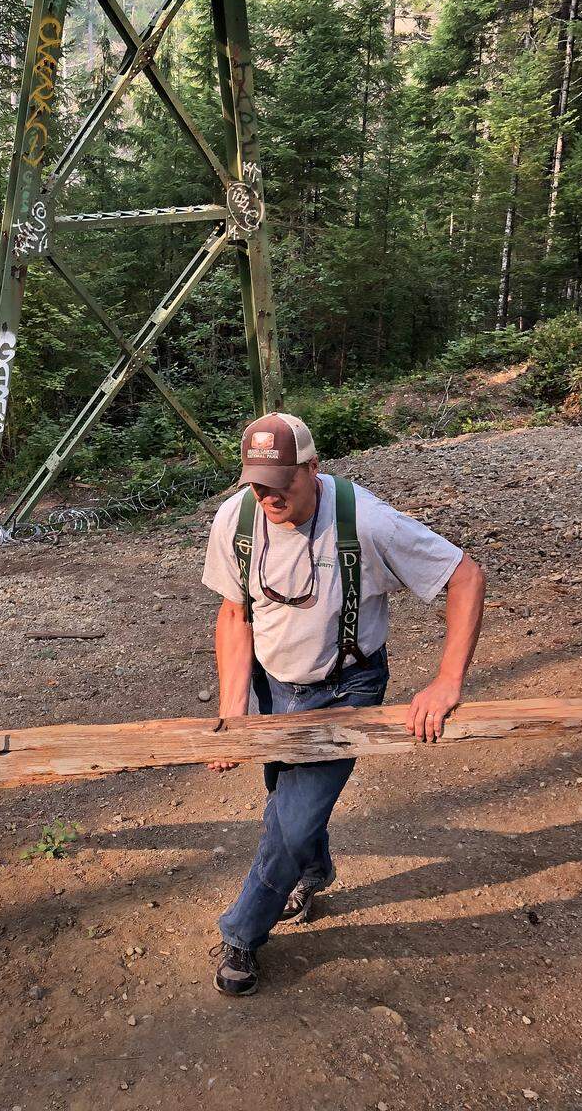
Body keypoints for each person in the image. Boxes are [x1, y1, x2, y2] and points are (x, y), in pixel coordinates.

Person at [201, 411, 485, 998]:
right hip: (273, 683)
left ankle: (242, 933)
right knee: (286, 796)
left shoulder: (367, 522)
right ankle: (313, 871)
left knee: (291, 822)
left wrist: (446, 681)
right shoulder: (236, 518)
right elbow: (234, 613)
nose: (269, 496)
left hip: (344, 688)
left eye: (282, 481)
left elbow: (465, 576)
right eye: (257, 484)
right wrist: (234, 708)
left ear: (313, 468)